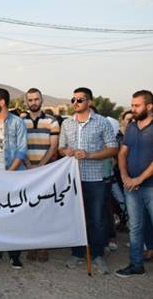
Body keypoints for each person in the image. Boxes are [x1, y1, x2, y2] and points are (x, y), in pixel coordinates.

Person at [58, 87, 118, 275]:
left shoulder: (102, 122)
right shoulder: (67, 123)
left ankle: (98, 254)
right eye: (73, 100)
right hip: (73, 179)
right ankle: (77, 253)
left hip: (95, 178)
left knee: (97, 218)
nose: (75, 103)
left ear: (89, 102)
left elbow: (113, 148)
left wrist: (90, 154)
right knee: (76, 217)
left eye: (80, 100)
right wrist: (67, 151)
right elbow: (61, 148)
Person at [0, 88, 27, 269]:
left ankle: (14, 254)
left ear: (2, 102)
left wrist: (10, 173)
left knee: (14, 215)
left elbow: (21, 150)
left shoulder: (18, 123)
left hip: (13, 176)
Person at [115, 90, 153, 277]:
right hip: (131, 186)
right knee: (135, 227)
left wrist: (138, 179)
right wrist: (124, 176)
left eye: (137, 105)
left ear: (149, 106)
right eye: (132, 105)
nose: (133, 109)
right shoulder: (130, 127)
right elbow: (122, 153)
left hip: (150, 186)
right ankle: (136, 264)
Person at [22, 88, 60, 263]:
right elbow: (19, 145)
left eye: (36, 99)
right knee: (29, 208)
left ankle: (43, 245)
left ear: (42, 100)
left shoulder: (52, 122)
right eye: (30, 100)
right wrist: (29, 165)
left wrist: (40, 166)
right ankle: (31, 243)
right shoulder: (21, 122)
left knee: (45, 208)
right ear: (26, 102)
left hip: (46, 172)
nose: (33, 102)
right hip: (27, 170)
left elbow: (53, 147)